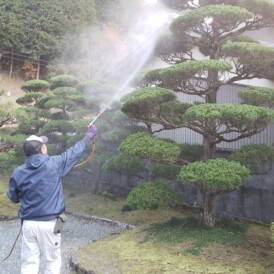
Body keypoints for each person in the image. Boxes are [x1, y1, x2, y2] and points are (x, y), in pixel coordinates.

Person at [7, 125, 97, 274]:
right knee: (52, 263)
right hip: (51, 224)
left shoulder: (18, 172)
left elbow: (13, 197)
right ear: (41, 150)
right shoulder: (55, 164)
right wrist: (89, 136)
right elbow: (74, 152)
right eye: (44, 145)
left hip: (28, 225)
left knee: (29, 264)